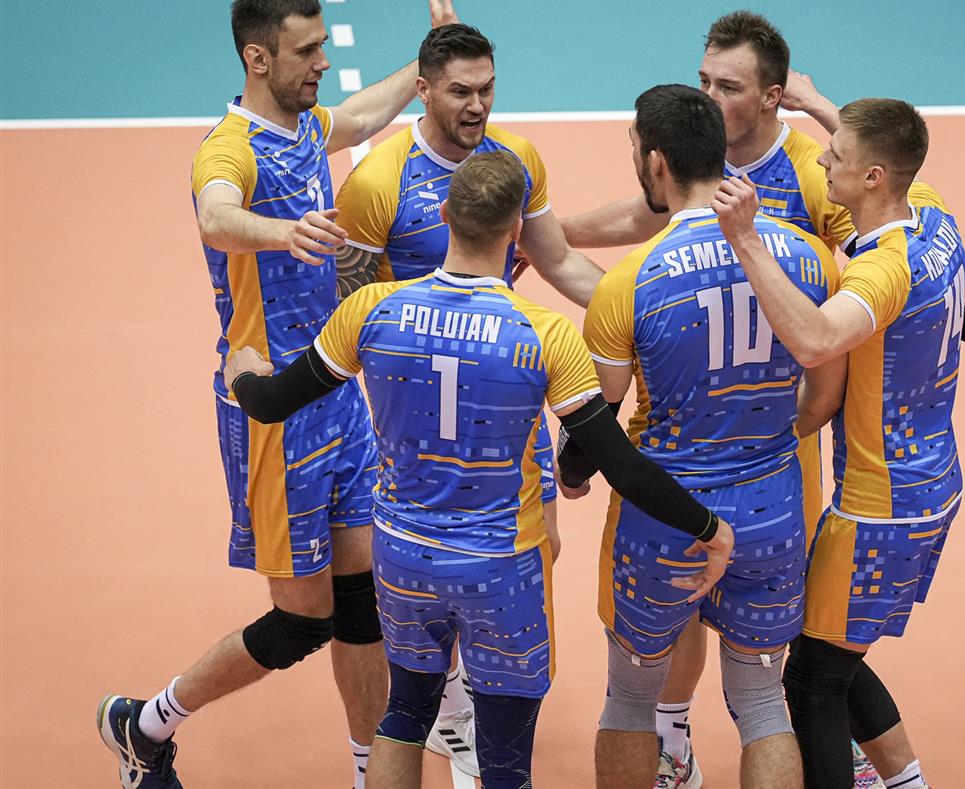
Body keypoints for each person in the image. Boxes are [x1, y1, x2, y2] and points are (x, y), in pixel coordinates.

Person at [560, 11, 965, 788]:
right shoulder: (816, 249)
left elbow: (848, 305)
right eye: (705, 82)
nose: (712, 97)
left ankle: (854, 761)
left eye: (728, 85)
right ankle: (685, 739)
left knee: (777, 674)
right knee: (772, 690)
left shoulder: (806, 181)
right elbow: (894, 236)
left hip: (733, 482)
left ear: (773, 97)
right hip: (774, 482)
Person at [221, 150, 734, 789]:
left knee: (405, 713)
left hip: (403, 553)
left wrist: (243, 373)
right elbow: (622, 467)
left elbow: (271, 403)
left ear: (444, 215)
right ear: (517, 228)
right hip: (501, 567)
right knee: (504, 760)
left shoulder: (373, 310)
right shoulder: (544, 333)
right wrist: (708, 526)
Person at [96, 0, 455, 789]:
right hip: (271, 411)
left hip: (337, 394)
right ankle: (145, 724)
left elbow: (361, 114)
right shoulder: (229, 148)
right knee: (303, 619)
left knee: (363, 599)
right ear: (258, 58)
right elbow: (216, 215)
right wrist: (283, 231)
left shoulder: (307, 126)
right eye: (306, 51)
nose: (322, 62)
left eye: (322, 46)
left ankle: (369, 771)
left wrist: (431, 59)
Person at [329, 19, 605, 775]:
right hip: (417, 424)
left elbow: (556, 261)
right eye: (460, 91)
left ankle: (471, 702)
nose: (477, 105)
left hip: (506, 411)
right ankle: (452, 710)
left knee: (538, 549)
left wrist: (636, 314)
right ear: (423, 90)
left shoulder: (517, 161)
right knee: (430, 589)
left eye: (487, 89)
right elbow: (353, 309)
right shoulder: (379, 183)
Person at [560, 84, 845, 789]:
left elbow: (598, 422)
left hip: (666, 516)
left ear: (657, 162)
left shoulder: (630, 282)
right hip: (774, 509)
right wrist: (764, 439)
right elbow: (823, 399)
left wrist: (569, 473)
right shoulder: (809, 257)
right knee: (761, 701)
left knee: (631, 699)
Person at [715, 98, 965, 789]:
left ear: (875, 176)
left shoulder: (880, 270)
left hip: (877, 506)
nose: (822, 157)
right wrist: (821, 103)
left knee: (811, 680)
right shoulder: (936, 219)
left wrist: (746, 240)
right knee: (834, 653)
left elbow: (817, 339)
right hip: (932, 480)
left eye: (838, 154)